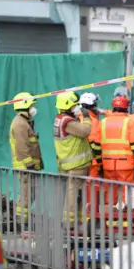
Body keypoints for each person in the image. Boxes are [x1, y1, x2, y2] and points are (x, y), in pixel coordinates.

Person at [95, 95, 134, 207]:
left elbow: (96, 146)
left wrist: (99, 163)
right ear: (126, 107)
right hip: (126, 165)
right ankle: (125, 219)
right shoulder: (130, 122)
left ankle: (109, 216)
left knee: (110, 191)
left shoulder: (102, 122)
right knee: (126, 193)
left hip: (107, 164)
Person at [53, 92, 94, 224]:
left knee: (76, 193)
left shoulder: (60, 119)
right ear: (67, 106)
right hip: (76, 165)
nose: (77, 108)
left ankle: (75, 220)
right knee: (73, 193)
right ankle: (70, 221)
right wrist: (87, 118)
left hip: (69, 164)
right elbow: (85, 131)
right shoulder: (68, 122)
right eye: (75, 106)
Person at [9, 92, 43, 224]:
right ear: (25, 105)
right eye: (31, 105)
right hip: (26, 167)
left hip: (28, 166)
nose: (33, 108)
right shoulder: (20, 124)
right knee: (27, 194)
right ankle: (21, 222)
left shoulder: (24, 122)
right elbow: (22, 147)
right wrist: (30, 166)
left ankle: (22, 220)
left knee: (29, 194)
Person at [78, 92, 105, 178]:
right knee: (91, 188)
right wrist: (100, 163)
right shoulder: (93, 122)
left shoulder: (77, 118)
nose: (96, 108)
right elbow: (96, 145)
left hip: (79, 162)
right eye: (94, 105)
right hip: (92, 162)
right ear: (90, 107)